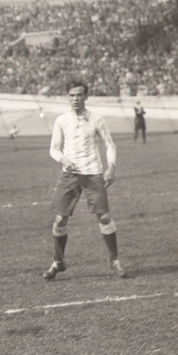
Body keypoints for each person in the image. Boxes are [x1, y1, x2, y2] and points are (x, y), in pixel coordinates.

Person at [43, 79, 127, 281]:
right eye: (72, 95)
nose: (75, 99)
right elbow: (54, 148)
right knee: (60, 220)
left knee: (104, 217)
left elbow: (110, 145)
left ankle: (114, 260)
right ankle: (58, 262)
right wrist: (63, 159)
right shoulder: (61, 120)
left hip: (93, 174)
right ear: (67, 97)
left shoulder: (97, 119)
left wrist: (111, 167)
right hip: (69, 175)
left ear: (86, 96)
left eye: (79, 95)